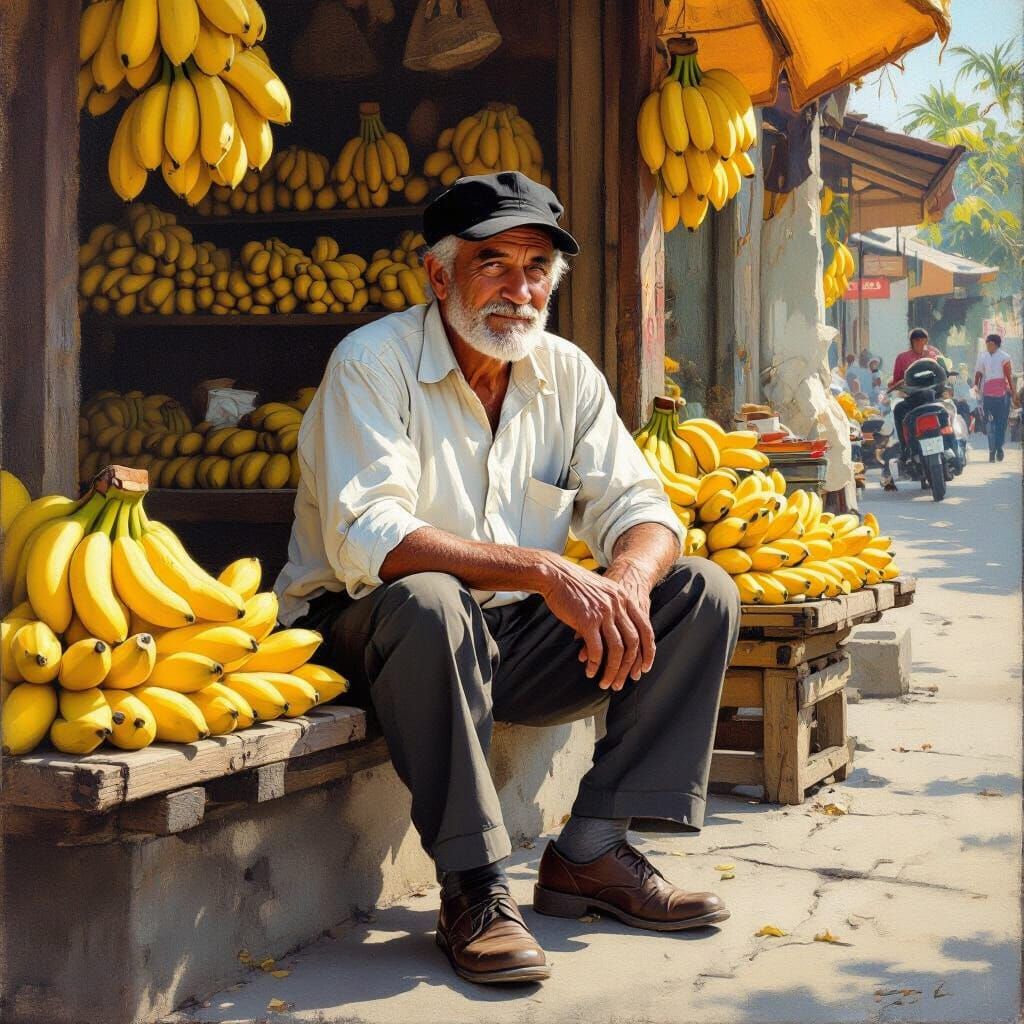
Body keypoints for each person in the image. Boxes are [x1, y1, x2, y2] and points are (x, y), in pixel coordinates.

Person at [275, 172, 738, 985]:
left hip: (506, 642)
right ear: (440, 275)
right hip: (368, 636)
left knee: (697, 590)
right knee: (430, 597)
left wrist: (627, 579)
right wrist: (544, 568)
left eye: (535, 270)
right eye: (494, 265)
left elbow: (642, 504)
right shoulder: (372, 363)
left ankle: (592, 850)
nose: (518, 291)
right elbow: (370, 538)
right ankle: (476, 885)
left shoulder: (566, 374)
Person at [890, 328, 940, 457]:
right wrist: (897, 385)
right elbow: (896, 379)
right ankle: (905, 448)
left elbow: (942, 372)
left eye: (923, 340)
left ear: (927, 341)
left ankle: (952, 444)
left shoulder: (933, 355)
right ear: (911, 342)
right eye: (917, 340)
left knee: (951, 408)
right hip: (913, 398)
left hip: (932, 396)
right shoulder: (902, 358)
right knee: (898, 409)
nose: (920, 343)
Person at [974, 333, 1014, 461]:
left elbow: (1009, 376)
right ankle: (992, 450)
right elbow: (978, 373)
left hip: (1002, 396)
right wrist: (975, 387)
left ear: (996, 344)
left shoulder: (1005, 357)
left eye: (991, 344)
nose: (988, 346)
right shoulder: (983, 357)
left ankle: (999, 448)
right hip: (987, 395)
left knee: (1001, 425)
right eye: (987, 344)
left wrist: (1014, 393)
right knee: (989, 425)